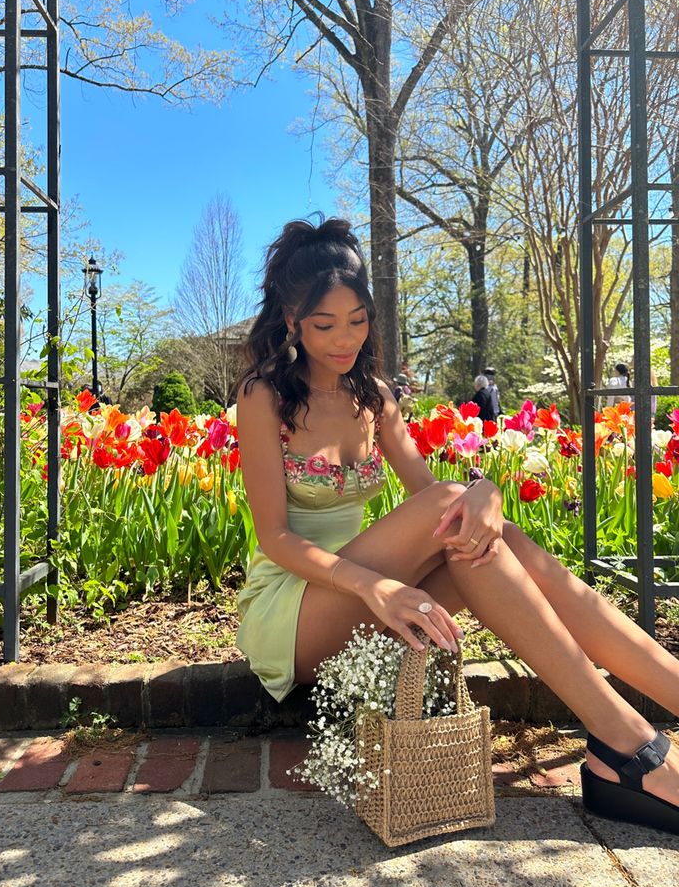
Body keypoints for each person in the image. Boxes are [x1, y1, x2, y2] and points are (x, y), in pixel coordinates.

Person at [236, 216, 679, 836]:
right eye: (324, 325)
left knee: (478, 537)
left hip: (381, 600)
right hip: (298, 608)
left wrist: (488, 491)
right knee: (458, 510)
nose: (345, 340)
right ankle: (632, 750)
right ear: (290, 320)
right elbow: (275, 539)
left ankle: (636, 734)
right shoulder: (264, 397)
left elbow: (434, 500)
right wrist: (374, 586)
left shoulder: (375, 398)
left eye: (358, 320)